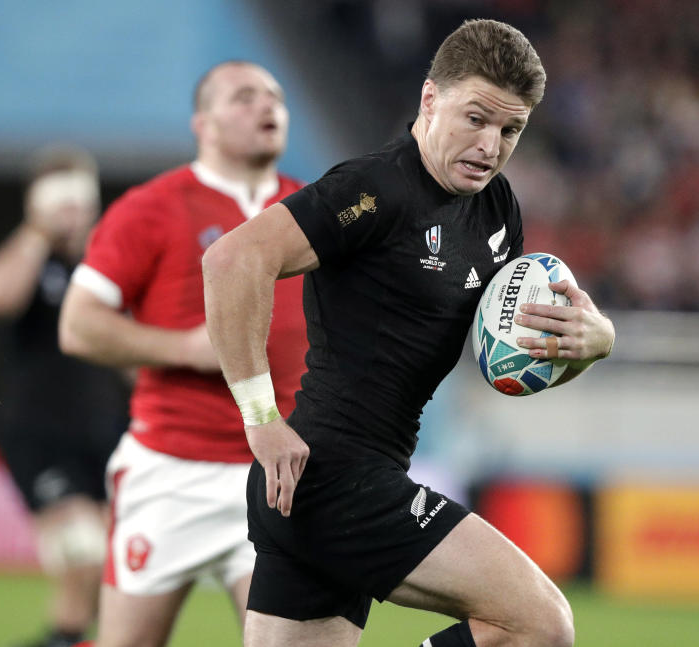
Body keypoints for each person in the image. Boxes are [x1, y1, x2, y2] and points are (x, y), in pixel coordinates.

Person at [203, 19, 615, 647]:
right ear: (429, 99)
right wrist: (259, 418)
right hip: (334, 477)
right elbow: (233, 260)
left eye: (511, 130)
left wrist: (592, 341)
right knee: (541, 624)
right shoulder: (375, 188)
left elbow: (507, 358)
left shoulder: (496, 208)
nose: (491, 144)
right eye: (475, 118)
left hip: (320, 486)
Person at [57, 61, 308, 647]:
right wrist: (186, 349)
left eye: (274, 95)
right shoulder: (153, 206)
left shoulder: (309, 210)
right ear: (204, 123)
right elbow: (77, 326)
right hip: (172, 471)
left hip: (275, 476)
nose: (265, 105)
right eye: (243, 97)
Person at [0, 146, 130, 647]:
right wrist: (37, 232)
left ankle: (64, 639)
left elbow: (132, 357)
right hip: (38, 433)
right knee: (82, 548)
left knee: (115, 570)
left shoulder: (107, 269)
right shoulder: (30, 260)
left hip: (106, 433)